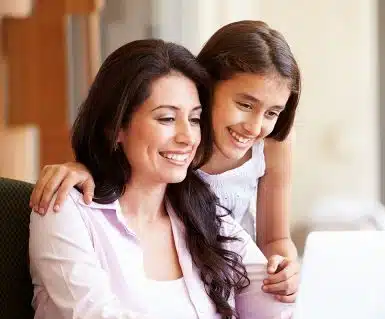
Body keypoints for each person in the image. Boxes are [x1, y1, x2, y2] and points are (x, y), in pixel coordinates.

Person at [26, 39, 293, 319]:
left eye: (195, 119)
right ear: (115, 127)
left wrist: (290, 285)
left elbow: (278, 316)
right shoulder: (66, 210)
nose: (187, 137)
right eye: (167, 118)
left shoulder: (205, 214)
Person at [29, 20, 301, 302]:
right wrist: (83, 168)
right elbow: (124, 164)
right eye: (245, 105)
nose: (255, 127)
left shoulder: (270, 143)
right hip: (183, 279)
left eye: (272, 113)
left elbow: (274, 239)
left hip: (240, 277)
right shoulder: (176, 146)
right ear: (205, 86)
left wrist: (285, 269)